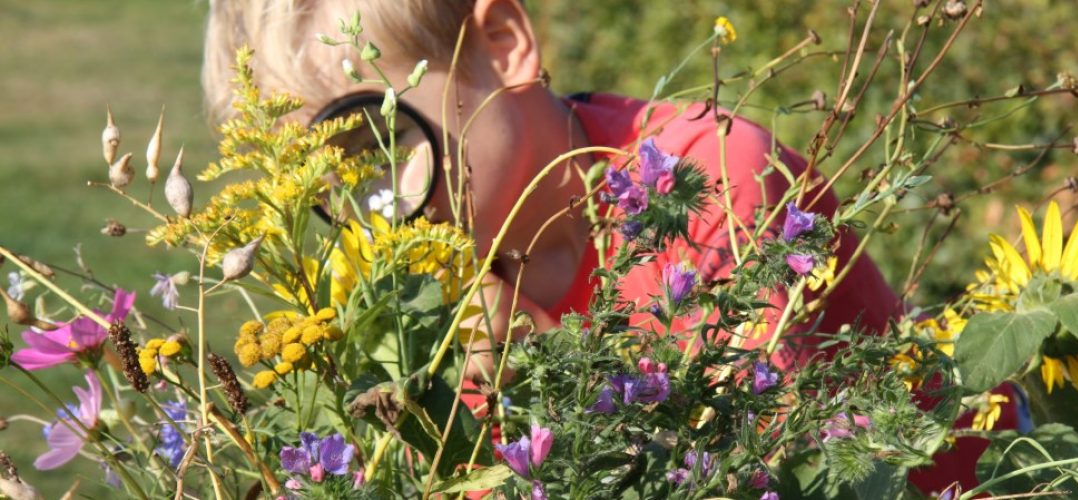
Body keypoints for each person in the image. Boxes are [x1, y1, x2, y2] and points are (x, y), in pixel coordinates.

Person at [202, 0, 1018, 493]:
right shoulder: (410, 298)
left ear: (501, 43)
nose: (380, 209)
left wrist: (548, 359)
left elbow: (767, 468)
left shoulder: (708, 181)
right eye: (334, 186)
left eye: (386, 142)